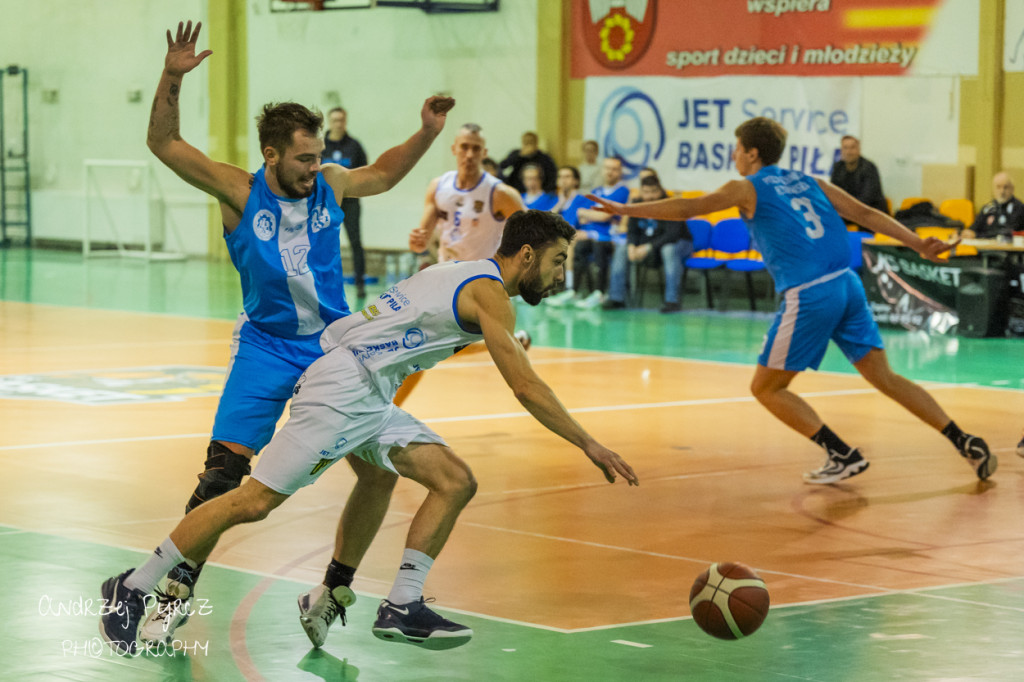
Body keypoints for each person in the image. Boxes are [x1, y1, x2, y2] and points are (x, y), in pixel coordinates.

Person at [99, 210, 639, 656]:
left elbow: (405, 327)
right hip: (343, 392)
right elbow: (525, 387)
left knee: (449, 480)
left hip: (366, 392)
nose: (561, 275)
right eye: (557, 261)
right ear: (527, 256)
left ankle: (383, 599)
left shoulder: (459, 271)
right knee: (254, 501)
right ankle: (133, 585)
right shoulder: (490, 293)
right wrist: (589, 442)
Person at [135, 20, 454, 647]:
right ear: (272, 156)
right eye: (305, 157)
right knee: (222, 477)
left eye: (319, 156)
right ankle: (172, 591)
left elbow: (384, 174)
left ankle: (331, 590)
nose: (317, 166)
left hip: (335, 347)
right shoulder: (237, 190)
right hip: (264, 344)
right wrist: (172, 76)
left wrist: (426, 132)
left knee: (379, 469)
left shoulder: (330, 186)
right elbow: (165, 143)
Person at [589, 117, 996, 485]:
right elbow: (867, 215)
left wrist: (625, 207)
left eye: (736, 148)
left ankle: (842, 453)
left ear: (751, 152)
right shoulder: (810, 180)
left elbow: (690, 208)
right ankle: (965, 440)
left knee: (766, 387)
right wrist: (917, 244)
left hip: (810, 293)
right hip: (846, 283)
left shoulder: (745, 187)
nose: (734, 155)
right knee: (885, 377)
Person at [291, 123, 527, 649]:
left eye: (475, 149)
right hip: (440, 301)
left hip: (471, 301)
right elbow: (427, 226)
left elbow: (523, 236)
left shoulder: (500, 194)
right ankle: (161, 573)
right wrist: (421, 238)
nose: (467, 155)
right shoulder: (442, 186)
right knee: (258, 500)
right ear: (454, 151)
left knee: (379, 477)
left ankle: (337, 593)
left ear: (485, 154)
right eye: (462, 147)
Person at [603, 175, 692, 313]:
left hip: (680, 244)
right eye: (646, 192)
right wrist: (632, 246)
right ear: (641, 191)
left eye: (653, 192)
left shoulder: (670, 204)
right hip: (652, 245)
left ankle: (672, 301)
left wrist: (647, 247)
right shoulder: (636, 204)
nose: (649, 196)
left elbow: (671, 235)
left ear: (660, 190)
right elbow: (632, 231)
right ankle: (616, 298)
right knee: (622, 248)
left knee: (668, 250)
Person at [568, 156, 630, 309]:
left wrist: (587, 213)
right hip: (591, 235)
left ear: (620, 172)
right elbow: (581, 218)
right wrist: (590, 215)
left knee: (598, 247)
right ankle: (572, 291)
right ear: (602, 170)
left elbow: (604, 216)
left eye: (614, 169)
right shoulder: (596, 192)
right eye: (607, 168)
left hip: (611, 238)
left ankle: (599, 293)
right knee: (579, 247)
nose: (610, 172)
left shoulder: (622, 191)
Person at [323, 107, 369, 298]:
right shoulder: (320, 145)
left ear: (346, 121)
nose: (338, 124)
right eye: (335, 120)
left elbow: (365, 173)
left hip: (350, 202)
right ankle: (323, 281)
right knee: (324, 242)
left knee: (355, 241)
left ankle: (360, 283)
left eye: (341, 120)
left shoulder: (354, 146)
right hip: (326, 202)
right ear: (329, 122)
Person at [544, 166, 592, 306]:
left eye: (567, 177)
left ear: (576, 181)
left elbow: (576, 224)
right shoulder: (555, 200)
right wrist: (560, 203)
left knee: (568, 242)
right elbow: (546, 223)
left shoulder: (582, 200)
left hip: (578, 239)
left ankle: (570, 289)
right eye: (560, 177)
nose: (563, 180)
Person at [829, 135, 888, 217]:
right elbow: (833, 193)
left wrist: (844, 208)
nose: (849, 152)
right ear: (841, 150)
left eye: (852, 148)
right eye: (845, 148)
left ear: (859, 149)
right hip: (848, 212)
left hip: (870, 212)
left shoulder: (869, 168)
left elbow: (867, 198)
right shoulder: (838, 167)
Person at [964, 171, 1024, 240]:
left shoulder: (1018, 208)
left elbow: (1006, 233)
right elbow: (974, 228)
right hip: (987, 249)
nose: (1002, 191)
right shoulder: (988, 208)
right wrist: (965, 233)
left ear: (1012, 189)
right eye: (998, 187)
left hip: (1009, 249)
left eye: (1005, 187)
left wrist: (977, 235)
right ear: (993, 189)